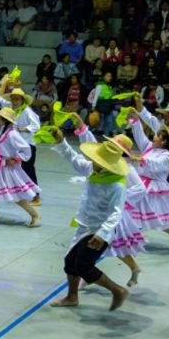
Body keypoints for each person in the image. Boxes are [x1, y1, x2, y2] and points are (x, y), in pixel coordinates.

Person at [48, 130, 130, 310]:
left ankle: (117, 290)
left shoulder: (116, 185)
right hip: (84, 225)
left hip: (100, 230)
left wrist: (102, 234)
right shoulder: (94, 170)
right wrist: (61, 141)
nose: (93, 163)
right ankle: (72, 297)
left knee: (83, 265)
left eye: (98, 162)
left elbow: (116, 213)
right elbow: (74, 159)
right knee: (70, 263)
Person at [128, 108, 169, 250]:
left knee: (159, 219)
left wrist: (141, 160)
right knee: (129, 211)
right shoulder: (150, 148)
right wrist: (135, 121)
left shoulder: (167, 155)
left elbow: (157, 165)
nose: (154, 137)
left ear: (163, 142)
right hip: (141, 185)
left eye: (157, 136)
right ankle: (128, 238)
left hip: (154, 189)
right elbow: (140, 137)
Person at [0, 82, 42, 206]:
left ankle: (36, 197)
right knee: (19, 170)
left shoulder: (27, 111)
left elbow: (36, 126)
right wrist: (4, 82)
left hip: (27, 145)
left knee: (29, 169)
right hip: (16, 146)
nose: (15, 101)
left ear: (22, 100)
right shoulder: (10, 107)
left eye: (17, 99)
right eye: (13, 99)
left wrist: (21, 129)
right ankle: (21, 194)